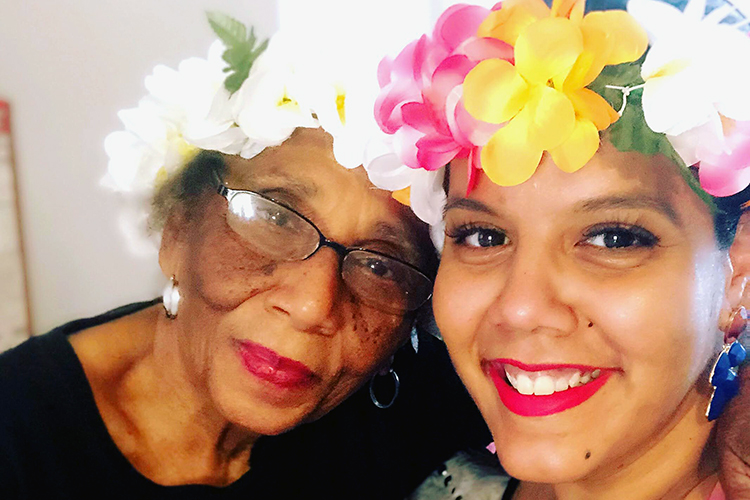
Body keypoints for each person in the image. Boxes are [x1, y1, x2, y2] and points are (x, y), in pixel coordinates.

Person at [0, 15, 491, 499]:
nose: (312, 306)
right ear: (177, 229)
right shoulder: (18, 436)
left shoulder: (408, 406)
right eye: (275, 219)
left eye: (379, 265)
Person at [366, 0, 750, 498]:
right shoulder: (447, 482)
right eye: (484, 236)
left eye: (613, 239)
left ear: (740, 270)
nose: (521, 308)